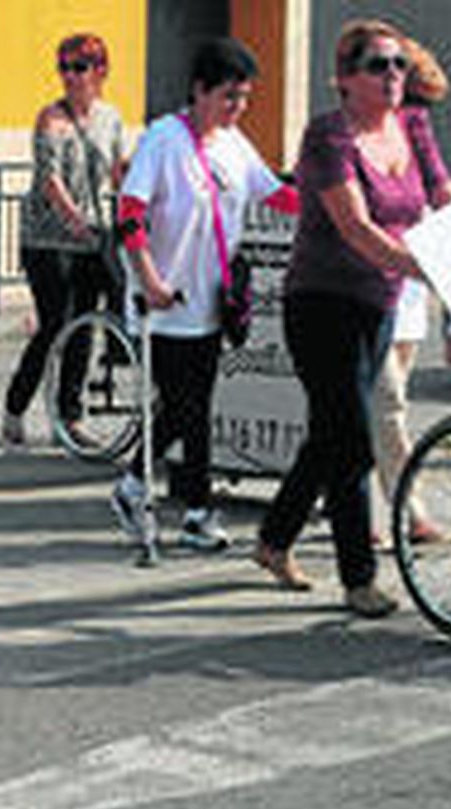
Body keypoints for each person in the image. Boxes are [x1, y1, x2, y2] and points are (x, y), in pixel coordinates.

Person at [253, 19, 451, 616]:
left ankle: (273, 540)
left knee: (329, 435)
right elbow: (356, 230)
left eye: (398, 64)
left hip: (381, 305)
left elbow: (446, 194)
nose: (394, 75)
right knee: (351, 441)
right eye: (377, 65)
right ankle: (359, 578)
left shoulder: (414, 124)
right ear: (345, 78)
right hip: (322, 304)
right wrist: (431, 273)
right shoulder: (327, 137)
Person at [108, 37, 290, 553]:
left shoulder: (234, 144)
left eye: (245, 98)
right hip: (163, 304)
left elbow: (273, 192)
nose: (238, 108)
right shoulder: (164, 139)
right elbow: (131, 213)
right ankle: (196, 510)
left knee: (188, 407)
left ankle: (137, 487)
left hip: (209, 300)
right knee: (189, 409)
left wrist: (334, 201)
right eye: (229, 96)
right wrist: (149, 280)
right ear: (200, 90)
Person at [2, 33, 128, 450]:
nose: (71, 77)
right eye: (65, 68)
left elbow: (117, 171)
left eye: (80, 67)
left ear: (101, 71)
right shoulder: (50, 119)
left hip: (92, 234)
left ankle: (69, 417)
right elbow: (49, 178)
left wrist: (137, 199)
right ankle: (16, 406)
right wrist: (73, 217)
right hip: (47, 238)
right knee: (54, 323)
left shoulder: (110, 118)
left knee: (83, 327)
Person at [370, 35, 451, 549]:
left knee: (371, 404)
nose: (412, 108)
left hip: (411, 285)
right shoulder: (352, 131)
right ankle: (409, 509)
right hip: (370, 282)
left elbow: (441, 186)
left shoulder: (415, 125)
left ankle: (346, 501)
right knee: (387, 401)